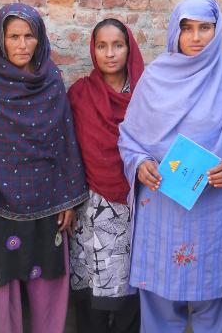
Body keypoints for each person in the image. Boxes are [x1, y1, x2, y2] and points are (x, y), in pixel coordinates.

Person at [118, 0, 222, 332]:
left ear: (217, 30)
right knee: (161, 313)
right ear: (174, 32)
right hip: (163, 211)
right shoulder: (154, 79)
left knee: (215, 311)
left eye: (205, 28)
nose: (196, 37)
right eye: (187, 28)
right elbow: (129, 138)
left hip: (216, 214)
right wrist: (140, 163)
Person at [0, 3, 88, 333]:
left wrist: (67, 199)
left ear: (40, 39)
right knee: (1, 287)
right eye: (13, 37)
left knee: (48, 286)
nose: (22, 45)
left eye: (29, 36)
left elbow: (65, 139)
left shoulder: (51, 79)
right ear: (0, 39)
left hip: (48, 199)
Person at [68, 18, 144, 333]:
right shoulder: (80, 94)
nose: (110, 54)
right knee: (92, 293)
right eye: (102, 46)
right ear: (93, 50)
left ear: (129, 48)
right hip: (90, 207)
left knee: (130, 292)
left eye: (117, 45)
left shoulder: (147, 95)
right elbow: (68, 152)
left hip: (136, 203)